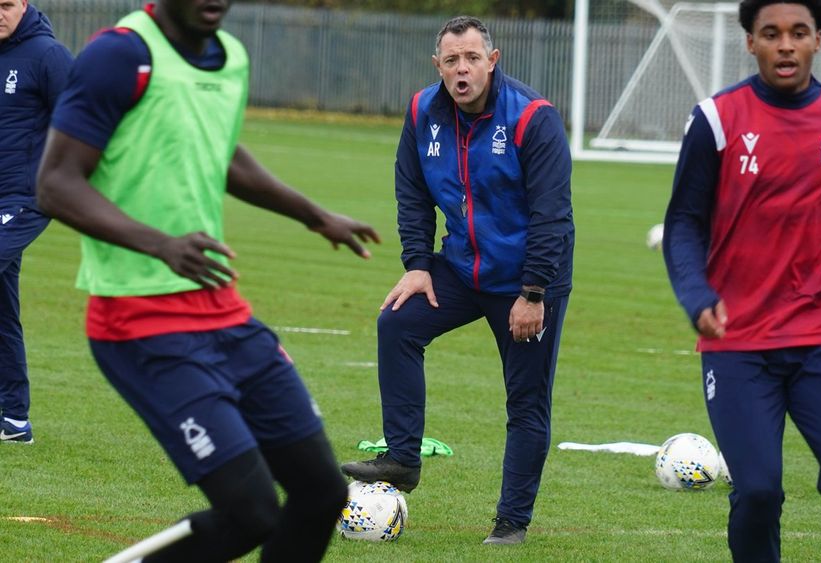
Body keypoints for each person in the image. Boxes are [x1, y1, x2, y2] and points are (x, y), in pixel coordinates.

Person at [35, 1, 379, 560]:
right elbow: (54, 184)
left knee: (322, 492)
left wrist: (313, 215)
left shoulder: (231, 58)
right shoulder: (121, 55)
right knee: (252, 514)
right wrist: (161, 244)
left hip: (226, 316)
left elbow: (223, 155)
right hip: (139, 324)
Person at [663, 0, 821, 561]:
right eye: (771, 34)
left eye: (799, 32)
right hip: (738, 342)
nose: (786, 45)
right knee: (758, 492)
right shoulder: (717, 120)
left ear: (819, 38)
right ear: (750, 42)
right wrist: (696, 295)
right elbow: (683, 222)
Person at [340, 15, 574, 545]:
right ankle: (402, 459)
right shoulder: (423, 111)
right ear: (438, 66)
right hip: (461, 268)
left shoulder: (533, 118)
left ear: (493, 61)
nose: (462, 69)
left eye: (472, 58)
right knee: (397, 324)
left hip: (527, 280)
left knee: (526, 402)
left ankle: (511, 523)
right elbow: (412, 190)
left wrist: (533, 293)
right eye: (452, 60)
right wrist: (418, 264)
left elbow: (552, 216)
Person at [0, 0, 71, 444]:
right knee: (2, 313)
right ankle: (14, 419)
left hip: (27, 198)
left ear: (24, 4)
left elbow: (86, 120)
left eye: (5, 4)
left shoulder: (48, 56)